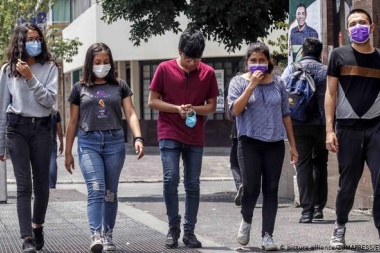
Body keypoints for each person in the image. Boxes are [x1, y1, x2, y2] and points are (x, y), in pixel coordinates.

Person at [64, 42, 145, 253]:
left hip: (114, 143)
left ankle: (108, 234)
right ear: (90, 64)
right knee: (96, 189)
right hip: (88, 142)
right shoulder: (79, 88)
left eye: (106, 62)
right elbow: (72, 122)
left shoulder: (120, 86)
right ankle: (96, 235)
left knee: (110, 192)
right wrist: (67, 152)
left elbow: (131, 113)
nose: (102, 65)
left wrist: (138, 137)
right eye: (98, 62)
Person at [148, 28, 219, 249]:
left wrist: (193, 109)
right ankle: (173, 227)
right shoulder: (164, 69)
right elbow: (152, 101)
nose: (192, 63)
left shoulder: (208, 73)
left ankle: (189, 231)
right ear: (179, 51)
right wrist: (176, 109)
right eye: (188, 58)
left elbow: (211, 107)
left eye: (197, 58)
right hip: (169, 131)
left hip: (194, 134)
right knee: (170, 179)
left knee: (193, 184)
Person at [228, 42, 298, 250]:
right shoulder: (238, 83)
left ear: (269, 62)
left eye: (261, 60)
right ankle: (246, 221)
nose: (257, 64)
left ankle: (268, 235)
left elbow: (286, 115)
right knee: (250, 187)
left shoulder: (279, 83)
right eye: (253, 61)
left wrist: (293, 145)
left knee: (271, 190)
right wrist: (251, 86)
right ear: (247, 62)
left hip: (274, 143)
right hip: (249, 142)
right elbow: (235, 111)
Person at [0, 23, 58, 253]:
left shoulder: (50, 67)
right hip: (17, 129)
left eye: (38, 38)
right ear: (20, 42)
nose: (35, 43)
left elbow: (49, 101)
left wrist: (30, 77)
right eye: (29, 39)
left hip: (43, 128)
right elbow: (3, 108)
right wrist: (1, 145)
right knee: (24, 186)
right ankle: (26, 238)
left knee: (42, 186)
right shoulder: (7, 70)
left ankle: (37, 226)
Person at [325, 9, 380, 248]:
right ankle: (339, 225)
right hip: (347, 129)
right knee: (348, 183)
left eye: (362, 22)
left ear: (372, 27)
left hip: (376, 127)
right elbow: (330, 93)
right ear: (347, 31)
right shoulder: (338, 55)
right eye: (353, 23)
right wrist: (329, 129)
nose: (358, 26)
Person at [281, 37, 329, 223]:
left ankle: (306, 211)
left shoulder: (292, 68)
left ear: (302, 52)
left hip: (298, 123)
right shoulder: (326, 70)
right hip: (322, 124)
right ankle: (319, 207)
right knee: (320, 164)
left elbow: (283, 91)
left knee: (303, 165)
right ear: (320, 53)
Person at [49, 110, 63, 189]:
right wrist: (61, 143)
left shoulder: (41, 111)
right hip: (52, 141)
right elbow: (59, 129)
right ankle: (52, 185)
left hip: (40, 141)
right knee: (53, 161)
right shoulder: (55, 113)